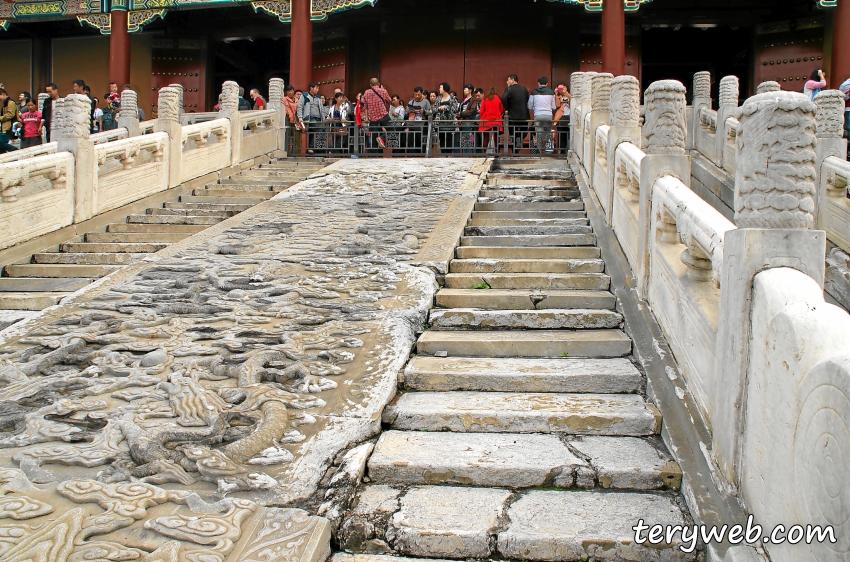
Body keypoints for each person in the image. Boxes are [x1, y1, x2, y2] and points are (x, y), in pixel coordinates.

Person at [502, 74, 530, 153]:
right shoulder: (524, 89)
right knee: (524, 131)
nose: (507, 82)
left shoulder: (509, 89)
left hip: (512, 115)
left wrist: (506, 108)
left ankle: (515, 152)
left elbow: (503, 98)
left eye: (508, 80)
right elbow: (527, 100)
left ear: (513, 80)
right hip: (523, 115)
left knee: (512, 134)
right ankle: (520, 139)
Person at [528, 76, 556, 153]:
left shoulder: (533, 92)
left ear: (538, 83)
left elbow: (529, 106)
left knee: (539, 132)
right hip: (548, 115)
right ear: (547, 83)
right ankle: (549, 149)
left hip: (538, 115)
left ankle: (539, 149)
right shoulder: (551, 92)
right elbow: (554, 107)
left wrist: (535, 107)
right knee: (548, 131)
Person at [363, 77, 391, 149]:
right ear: (378, 83)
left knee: (374, 136)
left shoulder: (366, 92)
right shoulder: (383, 91)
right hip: (383, 116)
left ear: (370, 85)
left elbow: (365, 107)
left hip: (373, 118)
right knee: (393, 129)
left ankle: (373, 155)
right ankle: (382, 138)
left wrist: (366, 118)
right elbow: (389, 100)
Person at [297, 82, 324, 153]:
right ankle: (312, 148)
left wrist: (323, 119)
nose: (318, 90)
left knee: (314, 133)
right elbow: (300, 107)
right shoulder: (304, 96)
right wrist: (300, 118)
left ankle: (313, 149)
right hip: (310, 118)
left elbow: (321, 109)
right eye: (316, 88)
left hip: (319, 118)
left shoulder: (318, 97)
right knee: (319, 130)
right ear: (311, 88)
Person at [433, 82, 459, 153]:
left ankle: (448, 155)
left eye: (440, 87)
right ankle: (443, 154)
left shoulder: (453, 98)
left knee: (449, 140)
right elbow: (434, 109)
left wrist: (446, 107)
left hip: (449, 123)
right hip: (440, 123)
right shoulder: (438, 98)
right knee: (441, 140)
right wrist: (439, 108)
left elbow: (456, 109)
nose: (439, 89)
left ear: (445, 88)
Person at [478, 87, 505, 155]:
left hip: (487, 120)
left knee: (486, 138)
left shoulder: (485, 99)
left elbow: (481, 111)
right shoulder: (499, 99)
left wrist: (483, 117)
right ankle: (496, 154)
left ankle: (484, 154)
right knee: (496, 138)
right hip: (497, 120)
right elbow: (502, 110)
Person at [407, 86, 431, 153]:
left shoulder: (426, 102)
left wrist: (424, 111)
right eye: (415, 95)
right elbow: (406, 112)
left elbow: (430, 112)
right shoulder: (411, 102)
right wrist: (409, 111)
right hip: (412, 125)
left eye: (418, 95)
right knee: (412, 144)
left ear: (421, 94)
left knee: (421, 144)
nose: (417, 96)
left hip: (422, 126)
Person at [458, 84, 479, 153]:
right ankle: (465, 154)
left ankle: (471, 154)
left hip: (470, 121)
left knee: (470, 139)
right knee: (464, 138)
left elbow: (472, 111)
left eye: (465, 89)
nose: (464, 90)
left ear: (470, 90)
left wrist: (461, 114)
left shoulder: (473, 100)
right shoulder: (463, 100)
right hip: (463, 122)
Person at [283, 84, 301, 154]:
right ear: (286, 92)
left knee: (297, 138)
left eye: (292, 90)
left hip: (296, 121)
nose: (291, 92)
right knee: (288, 137)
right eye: (289, 91)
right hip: (288, 120)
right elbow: (283, 109)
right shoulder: (284, 99)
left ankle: (296, 153)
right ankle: (287, 153)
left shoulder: (297, 100)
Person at [554, 83, 571, 154]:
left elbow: (572, 99)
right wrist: (556, 94)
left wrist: (565, 92)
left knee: (568, 135)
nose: (561, 90)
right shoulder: (558, 96)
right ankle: (562, 151)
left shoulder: (569, 95)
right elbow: (557, 105)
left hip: (569, 116)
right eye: (559, 88)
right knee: (561, 135)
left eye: (562, 88)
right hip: (561, 117)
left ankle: (568, 150)